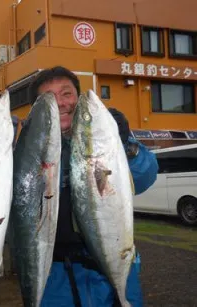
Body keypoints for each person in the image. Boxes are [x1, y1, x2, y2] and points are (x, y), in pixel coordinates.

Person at [27, 66, 158, 307]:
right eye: (49, 98)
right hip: (55, 276)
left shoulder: (105, 137)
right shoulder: (28, 153)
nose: (61, 103)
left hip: (114, 264)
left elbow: (145, 177)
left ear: (77, 97)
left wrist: (126, 144)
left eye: (66, 94)